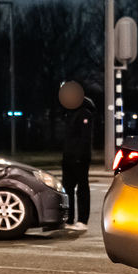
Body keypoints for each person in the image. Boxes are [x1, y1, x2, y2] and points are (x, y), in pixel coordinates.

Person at [59, 80, 95, 232]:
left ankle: (82, 220)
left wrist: (80, 156)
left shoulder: (84, 113)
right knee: (67, 189)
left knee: (82, 188)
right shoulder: (71, 112)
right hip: (69, 157)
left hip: (79, 158)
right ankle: (69, 219)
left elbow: (85, 138)